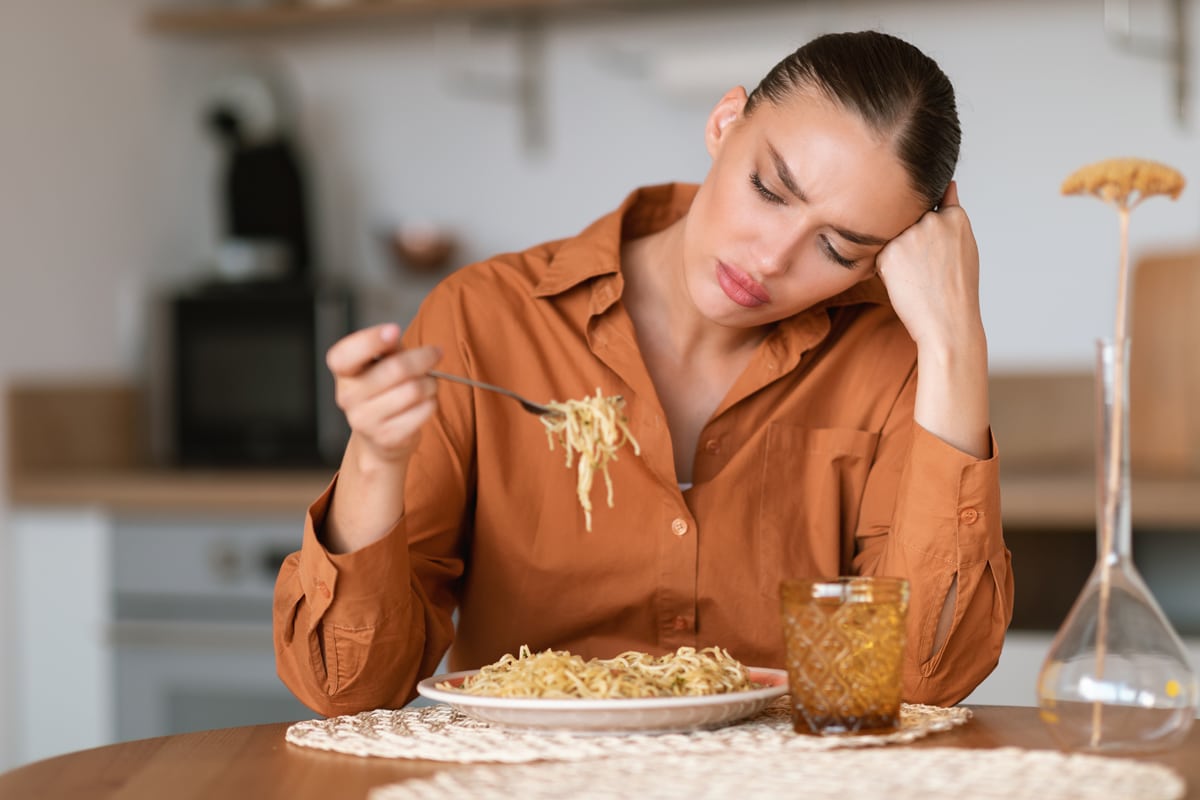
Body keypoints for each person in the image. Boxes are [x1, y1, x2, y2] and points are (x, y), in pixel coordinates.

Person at [273, 30, 1014, 717]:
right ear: (726, 123)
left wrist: (955, 342)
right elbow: (349, 687)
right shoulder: (483, 319)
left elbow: (923, 681)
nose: (771, 257)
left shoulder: (891, 356)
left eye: (840, 249)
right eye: (769, 190)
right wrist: (375, 455)